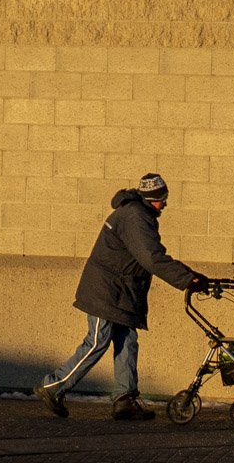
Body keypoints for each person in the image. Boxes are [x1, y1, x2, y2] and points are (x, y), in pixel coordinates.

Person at [35, 173, 206, 420]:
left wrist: (189, 277)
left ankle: (124, 400)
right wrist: (188, 279)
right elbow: (151, 258)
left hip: (122, 292)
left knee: (127, 341)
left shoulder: (139, 214)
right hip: (105, 290)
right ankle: (53, 386)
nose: (165, 204)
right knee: (97, 341)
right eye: (162, 199)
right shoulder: (135, 216)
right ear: (150, 198)